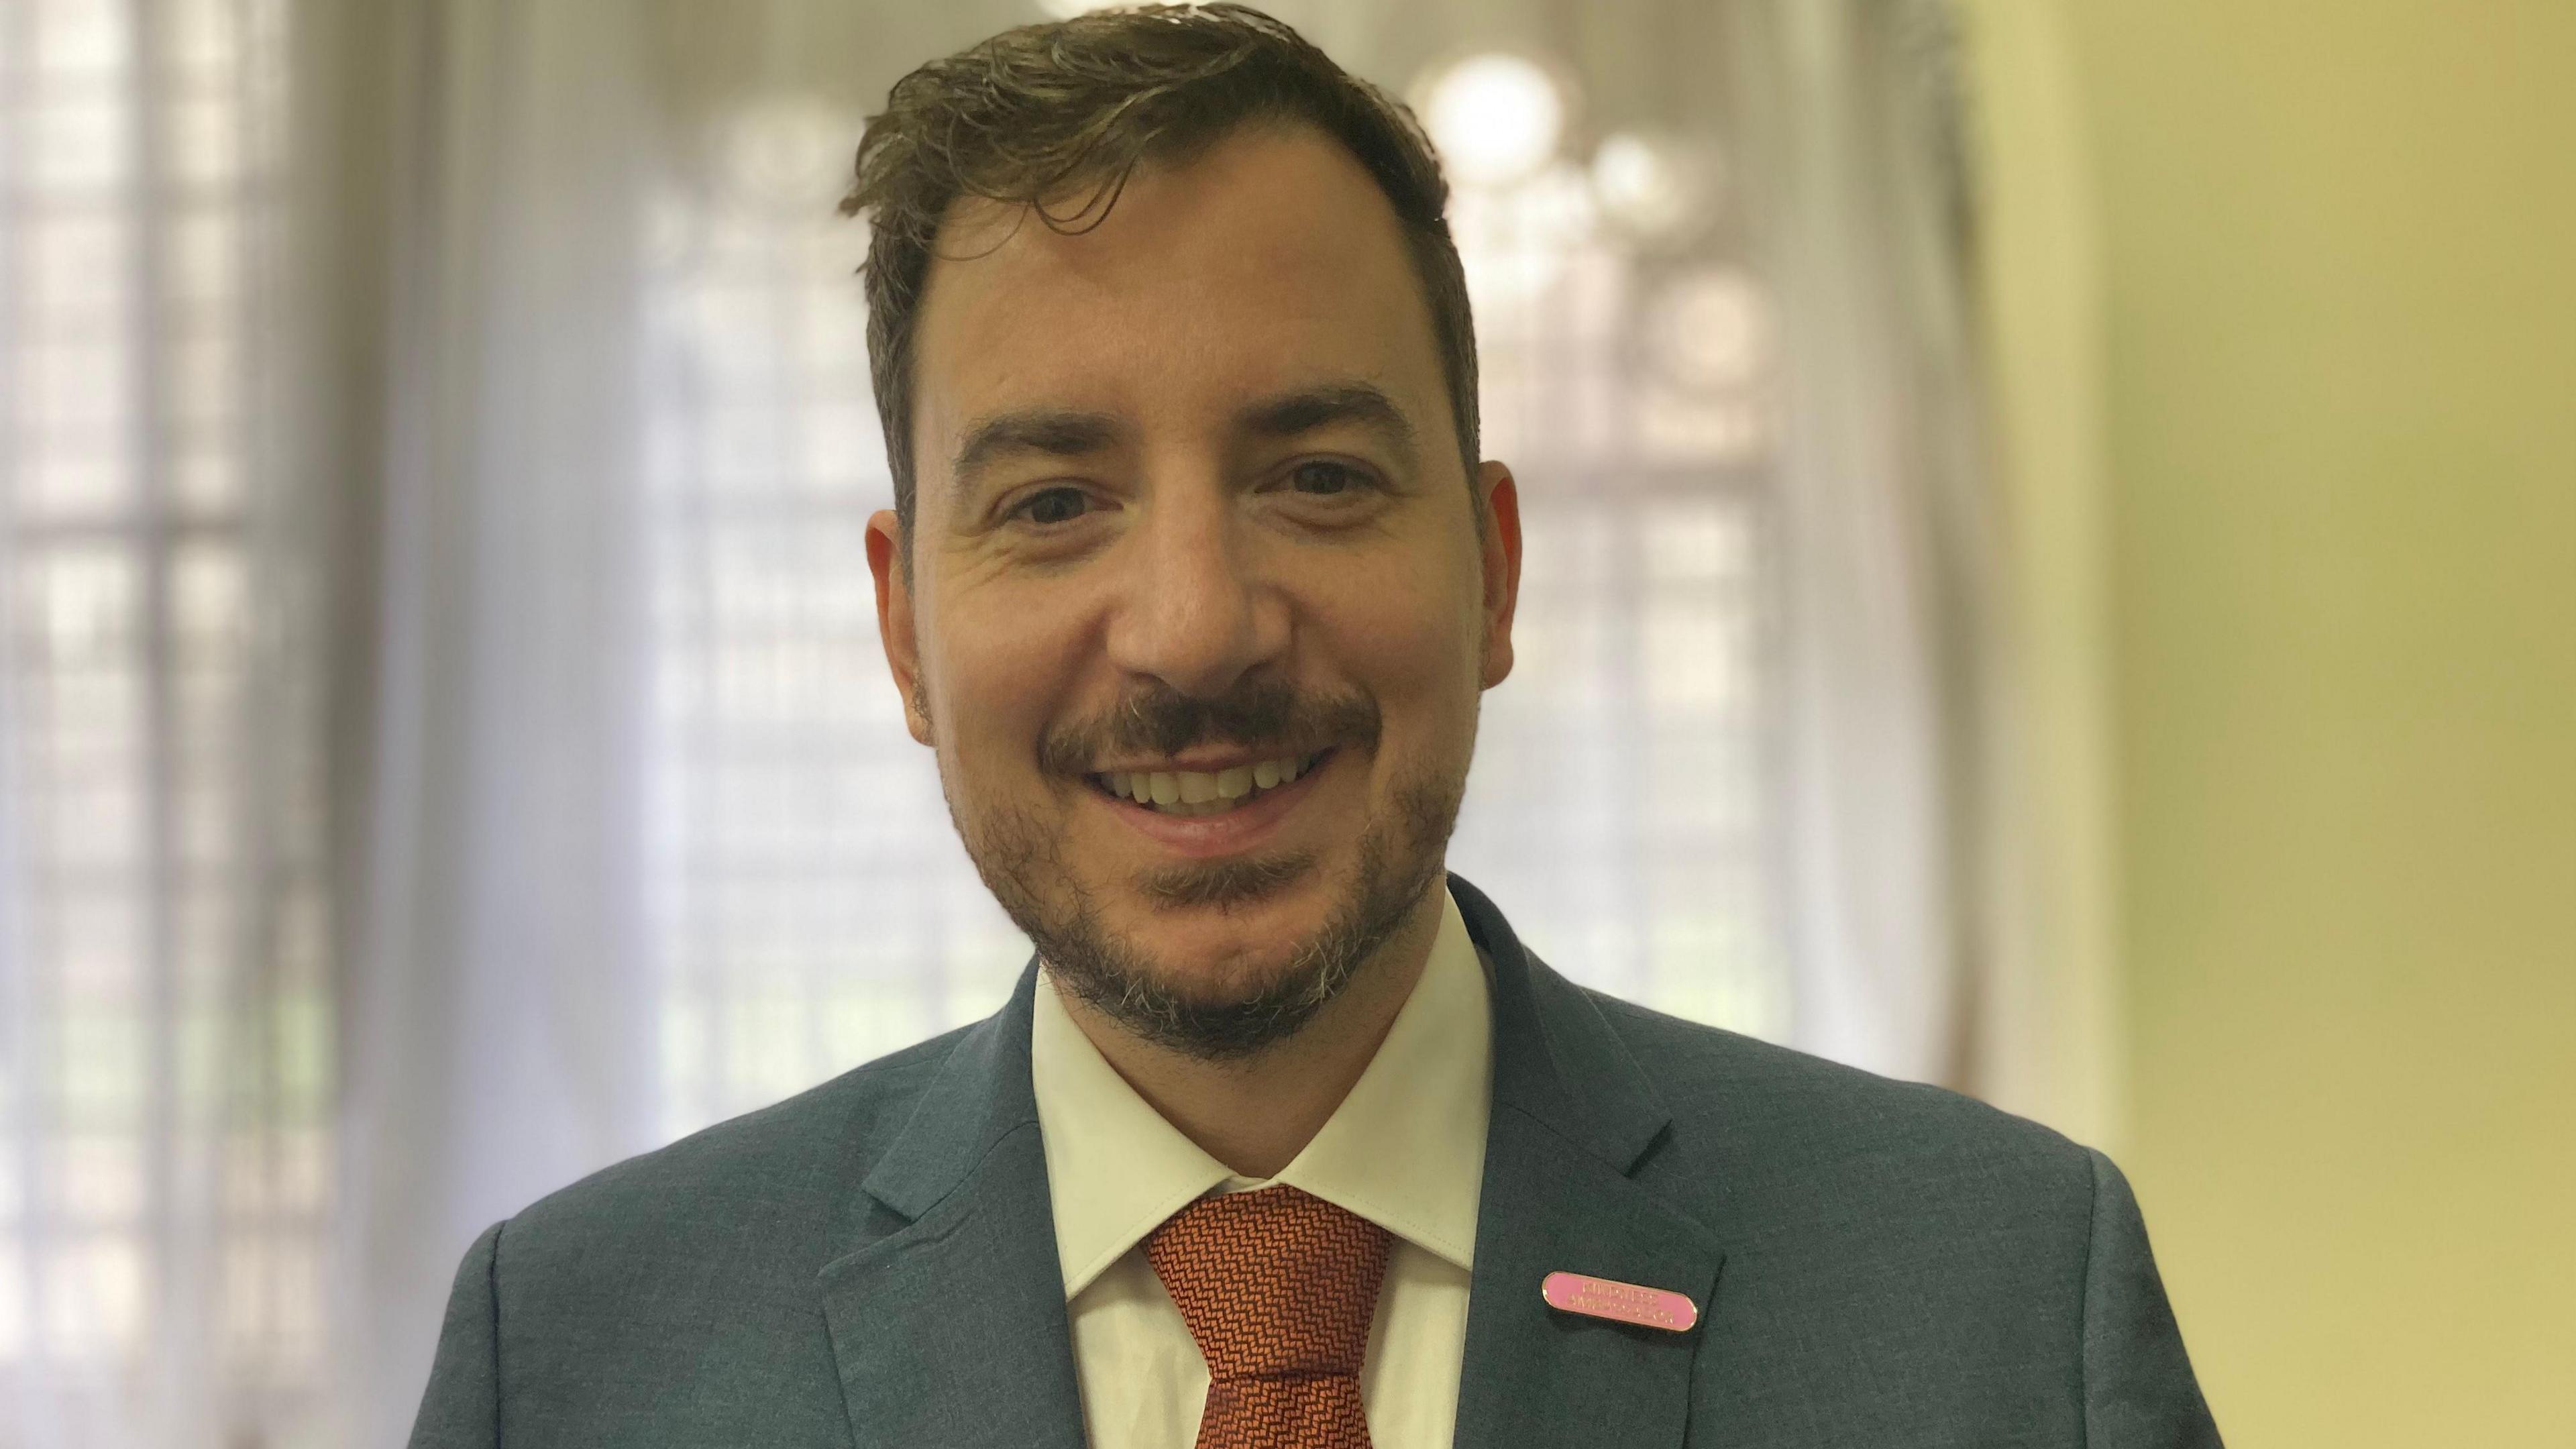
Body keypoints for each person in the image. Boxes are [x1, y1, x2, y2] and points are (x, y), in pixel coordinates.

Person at [406, 6, 2220, 1446]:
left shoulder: (1992, 1313)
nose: (1195, 627)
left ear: (1494, 573)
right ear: (901, 630)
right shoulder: (574, 1362)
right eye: (1052, 503)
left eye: (1321, 475)